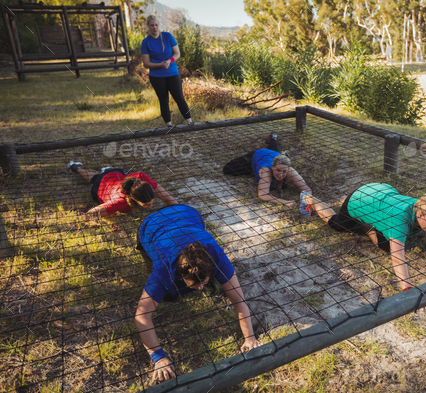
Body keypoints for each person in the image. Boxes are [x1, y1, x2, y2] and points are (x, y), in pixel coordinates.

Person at [134, 204, 262, 382]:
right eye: (196, 285)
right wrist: (159, 358)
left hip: (186, 211)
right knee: (170, 295)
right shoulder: (162, 269)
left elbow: (239, 301)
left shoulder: (217, 256)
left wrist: (250, 338)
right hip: (150, 226)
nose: (201, 289)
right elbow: (141, 317)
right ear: (179, 273)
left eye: (205, 281)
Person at [300, 183, 426, 292]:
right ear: (419, 216)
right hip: (362, 197)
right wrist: (408, 290)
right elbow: (398, 258)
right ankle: (310, 199)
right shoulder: (400, 219)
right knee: (336, 225)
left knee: (387, 246)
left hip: (382, 193)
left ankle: (369, 225)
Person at [223, 133, 314, 215]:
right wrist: (285, 202)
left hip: (274, 155)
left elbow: (306, 189)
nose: (281, 174)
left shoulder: (290, 170)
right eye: (278, 170)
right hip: (259, 155)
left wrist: (306, 202)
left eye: (284, 171)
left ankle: (272, 139)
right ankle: (251, 159)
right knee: (227, 169)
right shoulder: (267, 171)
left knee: (273, 150)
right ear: (272, 167)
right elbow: (262, 194)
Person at [67, 161, 178, 219]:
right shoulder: (120, 202)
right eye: (146, 204)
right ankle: (77, 169)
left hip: (115, 174)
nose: (151, 206)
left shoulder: (141, 177)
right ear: (134, 199)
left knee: (100, 176)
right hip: (99, 190)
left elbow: (169, 199)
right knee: (95, 180)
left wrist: (180, 210)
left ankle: (78, 168)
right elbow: (91, 213)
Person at [141, 15, 193, 127]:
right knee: (163, 100)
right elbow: (146, 63)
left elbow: (177, 54)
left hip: (172, 73)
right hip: (156, 76)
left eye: (156, 25)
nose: (155, 27)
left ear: (159, 25)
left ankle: (190, 122)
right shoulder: (146, 42)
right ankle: (168, 125)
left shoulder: (167, 36)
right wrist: (160, 64)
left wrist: (170, 61)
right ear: (148, 26)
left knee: (179, 97)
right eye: (152, 25)